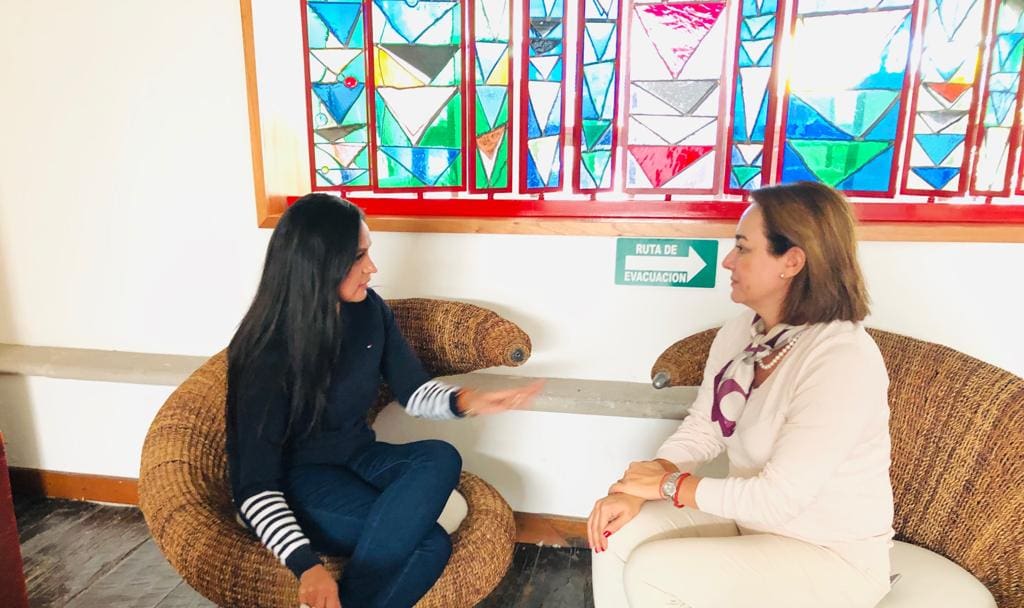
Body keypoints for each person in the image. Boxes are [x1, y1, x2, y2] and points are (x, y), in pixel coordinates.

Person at [226, 193, 542, 608]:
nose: (372, 267)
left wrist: (469, 401)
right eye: (359, 256)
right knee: (429, 544)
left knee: (440, 457)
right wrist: (307, 567)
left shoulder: (369, 311)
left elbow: (413, 391)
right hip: (298, 483)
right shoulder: (265, 354)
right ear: (318, 265)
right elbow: (253, 488)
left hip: (357, 456)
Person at [589, 182, 894, 607]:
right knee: (615, 530)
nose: (728, 260)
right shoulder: (740, 333)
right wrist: (639, 486)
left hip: (830, 555)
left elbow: (777, 499)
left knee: (654, 572)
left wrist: (667, 485)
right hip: (751, 525)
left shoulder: (842, 359)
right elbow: (704, 427)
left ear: (792, 261)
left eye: (743, 248)